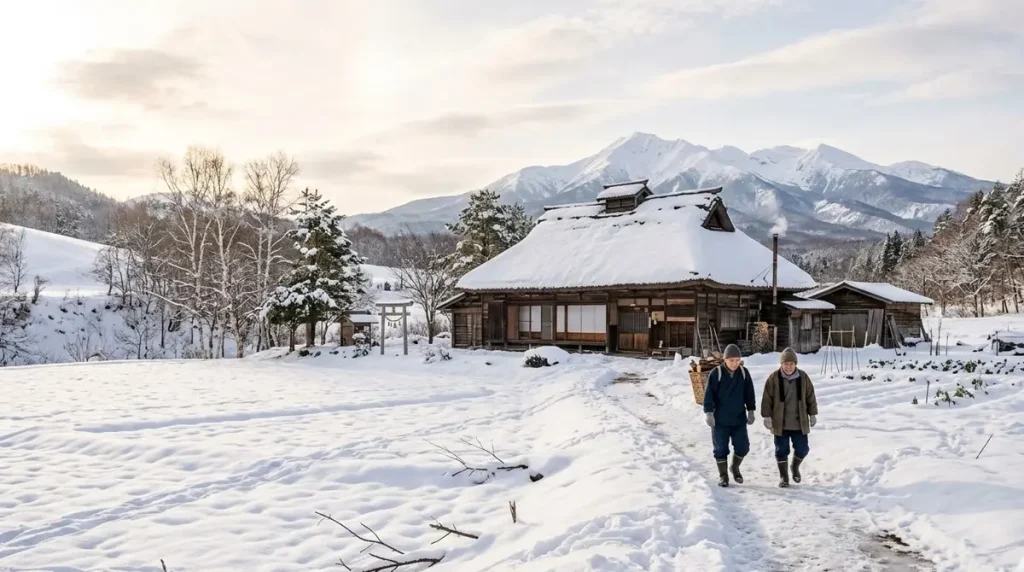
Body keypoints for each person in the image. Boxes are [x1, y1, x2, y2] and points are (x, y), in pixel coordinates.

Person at [760, 347, 819, 488]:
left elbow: (810, 396)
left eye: (791, 364)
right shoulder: (773, 378)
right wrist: (766, 416)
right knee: (781, 451)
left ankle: (794, 467)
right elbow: (767, 398)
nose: (788, 366)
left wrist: (813, 414)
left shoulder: (803, 377)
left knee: (803, 449)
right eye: (786, 363)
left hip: (799, 422)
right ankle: (784, 477)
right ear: (781, 364)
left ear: (795, 364)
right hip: (780, 422)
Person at [702, 344, 756, 487]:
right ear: (725, 359)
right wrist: (709, 413)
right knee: (720, 449)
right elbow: (708, 395)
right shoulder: (716, 373)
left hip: (738, 419)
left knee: (743, 447)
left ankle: (735, 467)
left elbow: (749, 393)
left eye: (737, 360)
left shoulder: (744, 373)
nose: (735, 363)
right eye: (732, 360)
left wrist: (751, 410)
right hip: (720, 420)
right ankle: (723, 475)